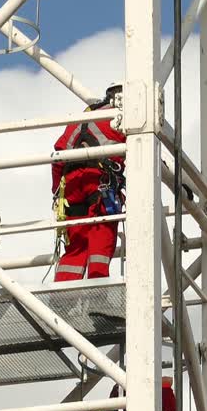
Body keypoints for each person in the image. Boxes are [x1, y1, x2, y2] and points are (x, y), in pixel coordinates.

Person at [51, 84, 126, 281]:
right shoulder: (121, 118)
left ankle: (63, 296)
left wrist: (57, 192)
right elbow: (140, 151)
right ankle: (98, 292)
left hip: (71, 188)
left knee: (76, 247)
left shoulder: (79, 120)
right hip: (99, 184)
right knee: (101, 239)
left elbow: (57, 159)